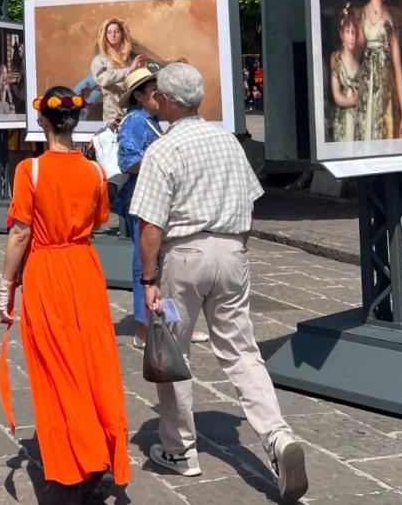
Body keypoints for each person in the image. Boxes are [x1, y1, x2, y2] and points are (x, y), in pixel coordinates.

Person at [129, 63, 308, 503]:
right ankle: (277, 436)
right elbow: (249, 201)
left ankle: (179, 450)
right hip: (231, 252)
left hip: (183, 259)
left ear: (167, 101)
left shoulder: (164, 149)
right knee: (243, 352)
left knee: (173, 352)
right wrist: (235, 245)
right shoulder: (228, 141)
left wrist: (147, 278)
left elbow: (151, 223)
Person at [0, 88, 131, 503]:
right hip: (84, 268)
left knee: (55, 368)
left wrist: (6, 286)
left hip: (47, 269)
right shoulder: (93, 171)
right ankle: (100, 453)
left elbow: (20, 232)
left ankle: (71, 465)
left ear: (43, 122)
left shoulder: (30, 171)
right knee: (93, 363)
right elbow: (99, 219)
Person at [115, 67, 162, 351]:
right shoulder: (135, 122)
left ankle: (170, 322)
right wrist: (164, 163)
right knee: (143, 264)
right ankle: (143, 328)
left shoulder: (159, 119)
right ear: (140, 95)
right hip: (142, 199)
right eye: (154, 90)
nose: (160, 94)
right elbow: (127, 160)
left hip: (160, 199)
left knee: (167, 264)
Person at [359, 0, 402, 140]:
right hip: (367, 87)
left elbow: (398, 67)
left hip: (386, 88)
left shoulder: (390, 20)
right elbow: (357, 53)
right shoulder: (362, 14)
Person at [90, 18, 151, 122]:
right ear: (105, 36)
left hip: (133, 109)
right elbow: (102, 78)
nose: (113, 35)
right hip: (112, 111)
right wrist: (129, 70)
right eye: (109, 32)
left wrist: (142, 68)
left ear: (122, 34)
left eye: (116, 31)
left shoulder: (131, 58)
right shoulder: (99, 60)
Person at [329, 5, 361, 142]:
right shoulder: (336, 59)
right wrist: (352, 100)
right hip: (342, 120)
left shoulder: (359, 66)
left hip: (357, 120)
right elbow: (336, 96)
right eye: (348, 32)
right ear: (342, 35)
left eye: (354, 32)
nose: (351, 37)